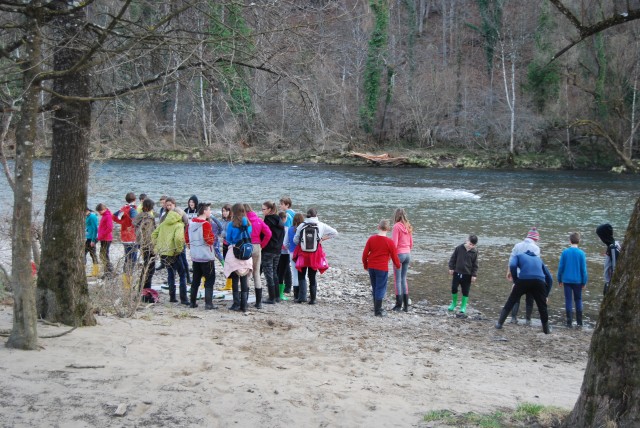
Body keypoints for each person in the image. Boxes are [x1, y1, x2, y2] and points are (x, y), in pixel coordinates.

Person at [495, 250, 553, 334]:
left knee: (511, 300)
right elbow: (549, 278)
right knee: (542, 306)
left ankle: (499, 324)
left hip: (523, 280)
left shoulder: (518, 255)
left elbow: (512, 265)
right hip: (539, 281)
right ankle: (546, 330)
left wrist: (515, 281)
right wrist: (546, 295)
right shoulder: (539, 259)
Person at [292, 207, 338, 304]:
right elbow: (334, 233)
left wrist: (302, 243)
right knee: (312, 276)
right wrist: (322, 239)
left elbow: (295, 240)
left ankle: (301, 297)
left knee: (301, 275)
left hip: (303, 253)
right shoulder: (321, 225)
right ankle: (313, 299)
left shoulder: (301, 225)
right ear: (316, 215)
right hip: (315, 253)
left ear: (307, 215)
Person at [362, 219, 401, 317]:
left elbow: (365, 254)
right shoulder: (390, 242)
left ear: (378, 227)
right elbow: (394, 256)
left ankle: (376, 307)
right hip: (382, 268)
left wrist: (365, 265)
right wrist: (398, 265)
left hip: (371, 266)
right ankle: (378, 311)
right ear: (388, 229)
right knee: (380, 288)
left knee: (375, 287)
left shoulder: (371, 239)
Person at [152, 210, 188, 304]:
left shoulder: (163, 223)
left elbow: (154, 235)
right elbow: (178, 239)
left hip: (164, 253)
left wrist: (158, 247)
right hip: (174, 253)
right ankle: (183, 299)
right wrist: (179, 250)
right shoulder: (179, 225)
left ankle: (172, 297)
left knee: (171, 275)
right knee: (182, 274)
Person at [507, 227, 540, 324]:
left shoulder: (517, 245)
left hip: (518, 276)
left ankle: (513, 318)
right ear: (536, 239)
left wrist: (508, 272)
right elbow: (536, 263)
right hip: (530, 276)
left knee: (516, 296)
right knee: (529, 298)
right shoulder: (536, 248)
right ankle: (528, 320)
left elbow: (512, 259)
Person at [186, 202, 217, 310]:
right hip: (206, 256)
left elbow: (187, 238)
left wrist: (191, 246)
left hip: (195, 255)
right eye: (209, 210)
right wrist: (213, 238)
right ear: (204, 211)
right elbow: (208, 240)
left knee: (196, 279)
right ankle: (208, 304)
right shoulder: (205, 224)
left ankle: (192, 302)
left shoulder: (191, 223)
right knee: (210, 279)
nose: (210, 212)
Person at [224, 203, 253, 312]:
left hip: (236, 251)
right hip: (247, 253)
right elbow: (251, 236)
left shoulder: (232, 224)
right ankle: (244, 304)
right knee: (244, 278)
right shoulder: (249, 223)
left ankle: (236, 304)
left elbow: (228, 238)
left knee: (235, 279)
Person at [557, 232, 588, 328]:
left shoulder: (565, 252)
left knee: (568, 300)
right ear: (579, 241)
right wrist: (584, 281)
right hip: (578, 281)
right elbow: (583, 269)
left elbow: (560, 267)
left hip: (566, 280)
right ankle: (579, 322)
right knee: (578, 300)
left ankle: (569, 322)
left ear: (570, 241)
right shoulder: (581, 253)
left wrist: (559, 279)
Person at [245, 204, 272, 308]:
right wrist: (262, 245)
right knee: (256, 273)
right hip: (257, 246)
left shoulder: (244, 221)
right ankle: (258, 303)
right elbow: (268, 233)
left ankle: (245, 301)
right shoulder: (259, 220)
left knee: (246, 273)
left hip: (246, 246)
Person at [261, 201, 286, 303]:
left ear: (269, 209)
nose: (262, 211)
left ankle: (272, 298)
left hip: (268, 250)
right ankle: (276, 297)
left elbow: (264, 234)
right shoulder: (279, 220)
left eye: (263, 209)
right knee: (274, 272)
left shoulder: (268, 221)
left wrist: (261, 245)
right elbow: (282, 235)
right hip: (277, 250)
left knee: (268, 273)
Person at [447, 235, 479, 314]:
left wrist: (474, 275)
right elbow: (453, 258)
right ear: (467, 241)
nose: (471, 246)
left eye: (473, 245)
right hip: (457, 272)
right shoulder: (459, 248)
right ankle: (454, 303)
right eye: (470, 244)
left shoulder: (474, 252)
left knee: (465, 290)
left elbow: (475, 264)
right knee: (454, 288)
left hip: (467, 274)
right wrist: (451, 268)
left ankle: (463, 306)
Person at [113, 192, 138, 289]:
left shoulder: (123, 209)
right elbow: (136, 220)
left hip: (124, 237)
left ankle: (125, 281)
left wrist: (123, 223)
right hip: (131, 237)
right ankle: (128, 283)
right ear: (134, 200)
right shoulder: (132, 209)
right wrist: (131, 226)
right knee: (132, 260)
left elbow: (114, 216)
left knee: (127, 259)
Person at [391, 208, 413, 312]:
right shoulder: (408, 226)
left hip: (399, 254)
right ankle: (406, 306)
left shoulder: (396, 227)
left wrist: (391, 255)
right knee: (404, 279)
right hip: (408, 254)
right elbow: (411, 243)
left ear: (396, 216)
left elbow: (394, 244)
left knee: (397, 280)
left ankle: (398, 305)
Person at [133, 198, 156, 293]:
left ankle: (143, 288)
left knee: (147, 267)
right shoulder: (147, 218)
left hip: (143, 244)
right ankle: (145, 288)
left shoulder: (139, 217)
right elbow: (150, 233)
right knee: (149, 268)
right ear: (148, 207)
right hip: (148, 245)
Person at [596, 223, 621, 295]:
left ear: (604, 236)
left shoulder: (612, 248)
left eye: (600, 236)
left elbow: (614, 266)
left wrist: (610, 283)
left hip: (610, 282)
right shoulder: (615, 244)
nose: (600, 238)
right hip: (609, 281)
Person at [288, 213, 305, 300]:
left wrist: (289, 247)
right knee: (303, 274)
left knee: (294, 274)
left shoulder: (290, 229)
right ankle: (303, 294)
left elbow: (285, 243)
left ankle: (296, 295)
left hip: (292, 253)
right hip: (302, 253)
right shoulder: (304, 229)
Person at [95, 203, 114, 277]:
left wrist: (101, 236)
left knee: (103, 255)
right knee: (103, 255)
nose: (99, 213)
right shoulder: (104, 215)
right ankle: (107, 271)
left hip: (106, 238)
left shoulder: (107, 216)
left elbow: (110, 228)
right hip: (103, 238)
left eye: (100, 211)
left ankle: (109, 272)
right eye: (98, 212)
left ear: (104, 209)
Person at [218, 204, 233, 291]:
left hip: (230, 245)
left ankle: (229, 284)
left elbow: (228, 234)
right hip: (224, 244)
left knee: (230, 263)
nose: (224, 213)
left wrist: (222, 234)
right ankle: (228, 283)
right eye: (223, 211)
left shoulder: (231, 222)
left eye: (226, 211)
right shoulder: (223, 221)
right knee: (226, 263)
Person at [85, 207, 99, 277]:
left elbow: (95, 228)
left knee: (92, 254)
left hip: (92, 238)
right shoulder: (88, 216)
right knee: (88, 253)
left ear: (87, 211)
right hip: (89, 237)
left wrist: (93, 240)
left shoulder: (92, 217)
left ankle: (95, 272)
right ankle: (94, 271)